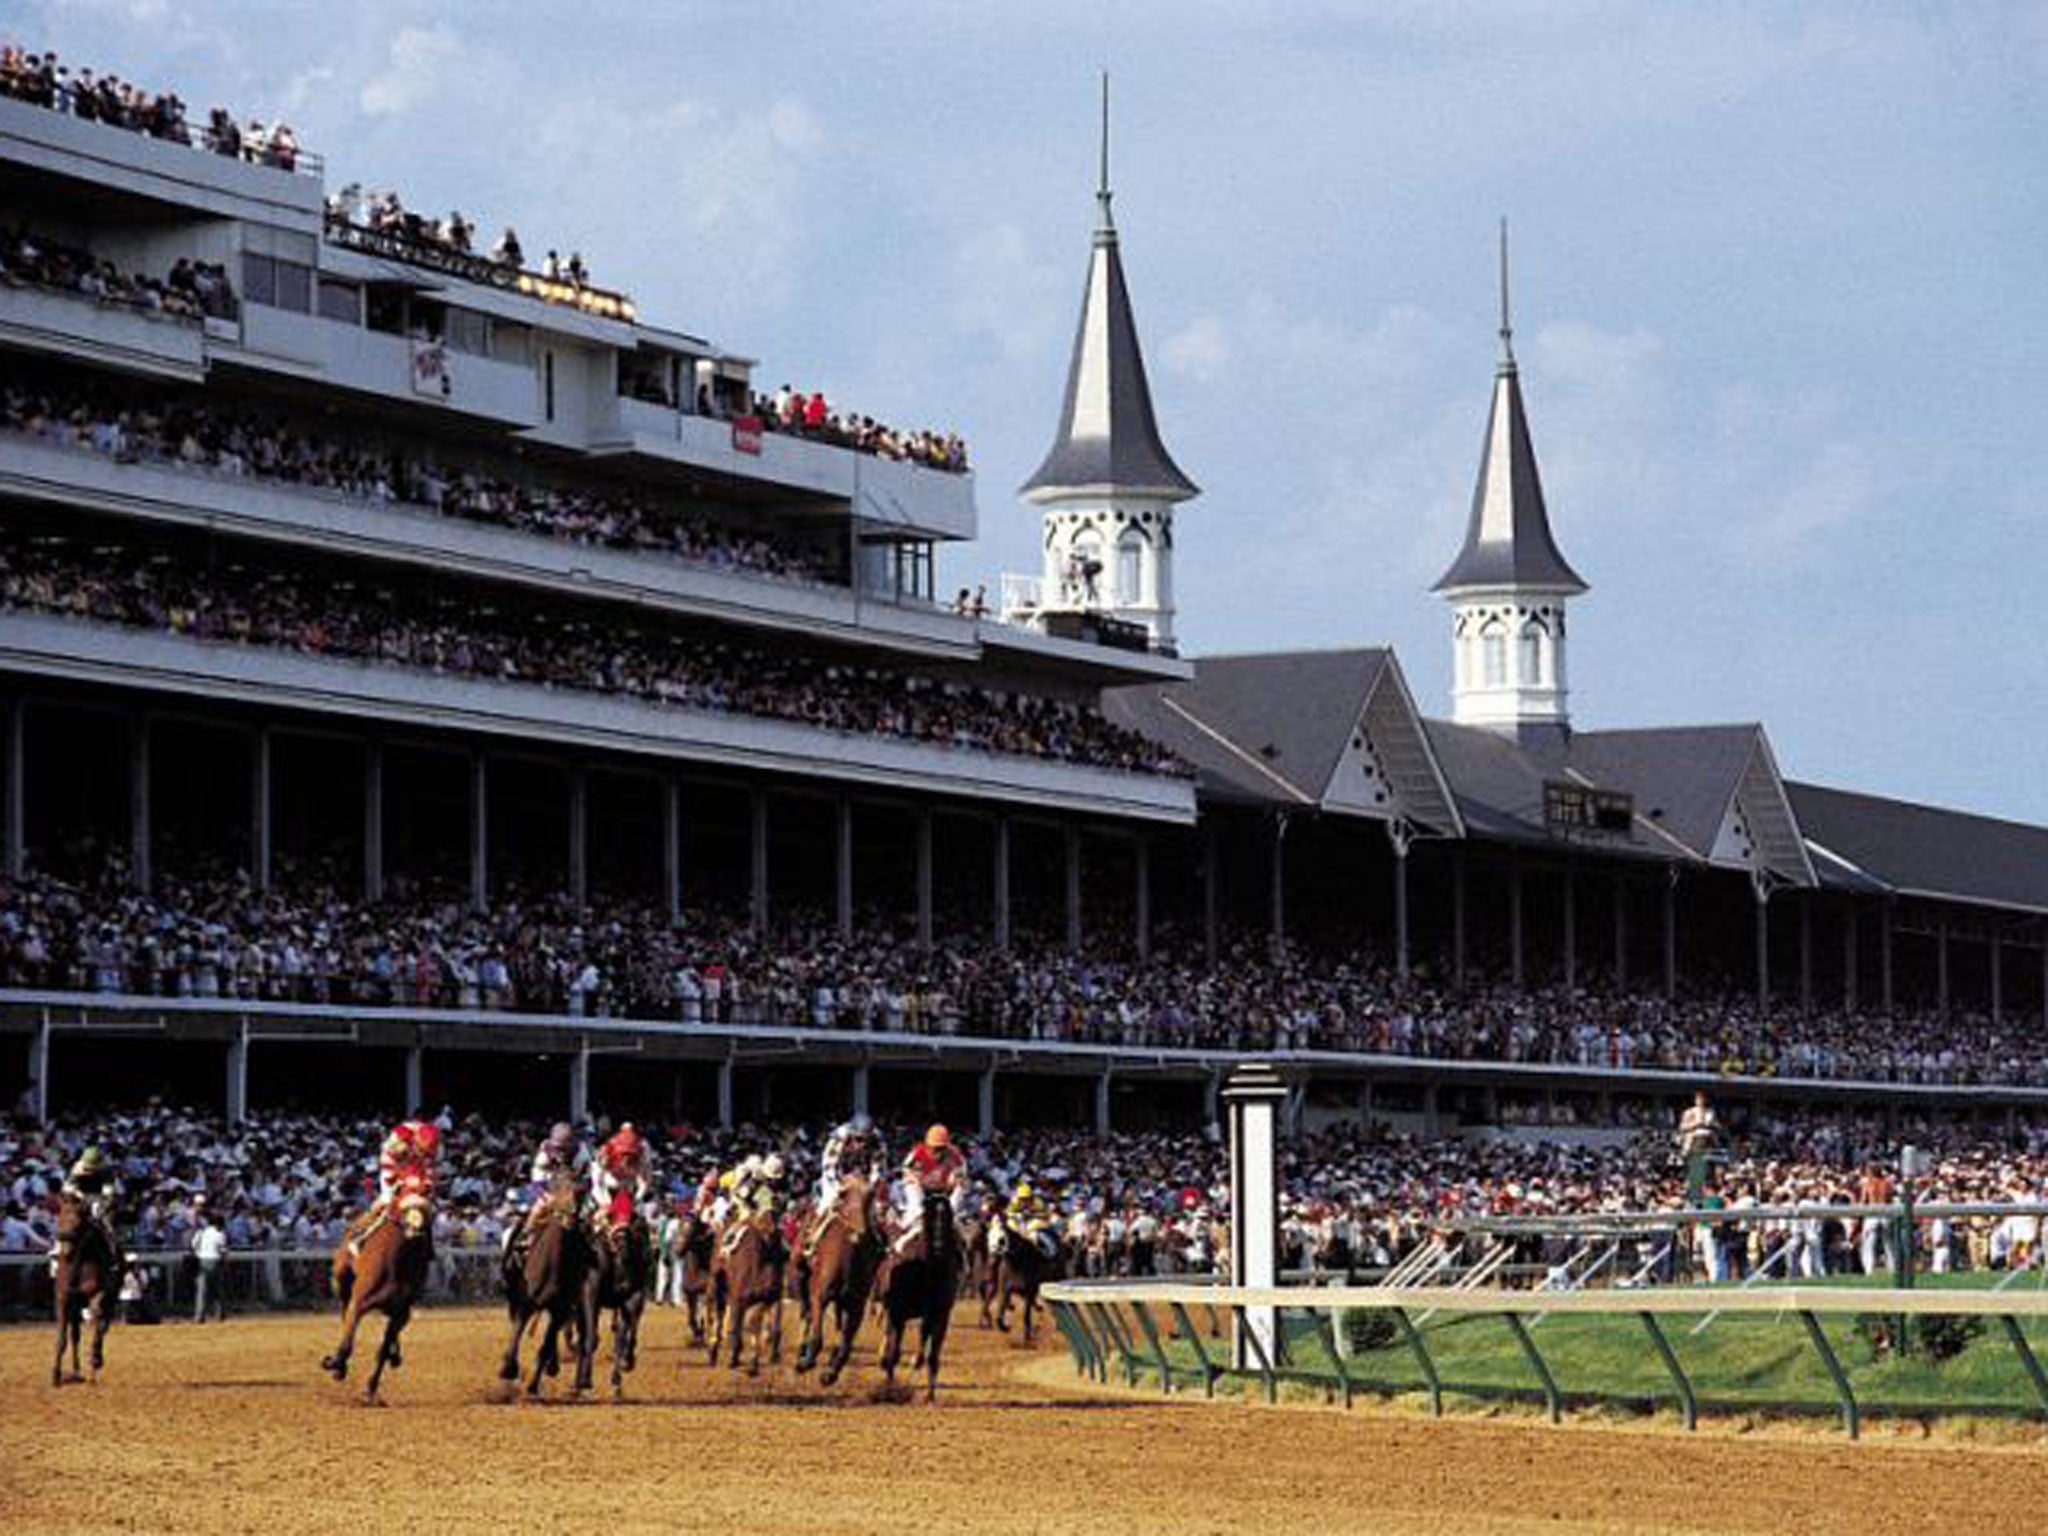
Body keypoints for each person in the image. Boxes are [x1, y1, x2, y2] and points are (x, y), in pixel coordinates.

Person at [895, 1124, 965, 1255]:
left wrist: (954, 1179)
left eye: (941, 1148)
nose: (937, 1153)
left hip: (945, 1189)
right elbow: (905, 1169)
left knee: (955, 1201)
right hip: (920, 1186)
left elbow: (961, 1173)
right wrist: (915, 1177)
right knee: (917, 1207)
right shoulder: (917, 1152)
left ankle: (959, 1235)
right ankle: (904, 1231)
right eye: (934, 1148)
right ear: (927, 1145)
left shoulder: (955, 1154)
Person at [591, 1122, 652, 1237]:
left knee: (643, 1224)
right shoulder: (604, 1153)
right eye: (623, 1155)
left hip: (629, 1192)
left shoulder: (644, 1152)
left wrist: (635, 1200)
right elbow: (597, 1184)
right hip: (606, 1190)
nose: (626, 1160)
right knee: (593, 1221)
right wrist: (605, 1203)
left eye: (630, 1156)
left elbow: (644, 1182)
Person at [191, 1209, 227, 1323]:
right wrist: (225, 1263)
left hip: (202, 1261)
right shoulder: (220, 1234)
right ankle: (219, 1314)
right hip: (215, 1261)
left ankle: (199, 1316)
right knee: (217, 1290)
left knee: (202, 1291)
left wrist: (198, 1253)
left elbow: (193, 1245)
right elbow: (223, 1250)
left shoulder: (201, 1232)